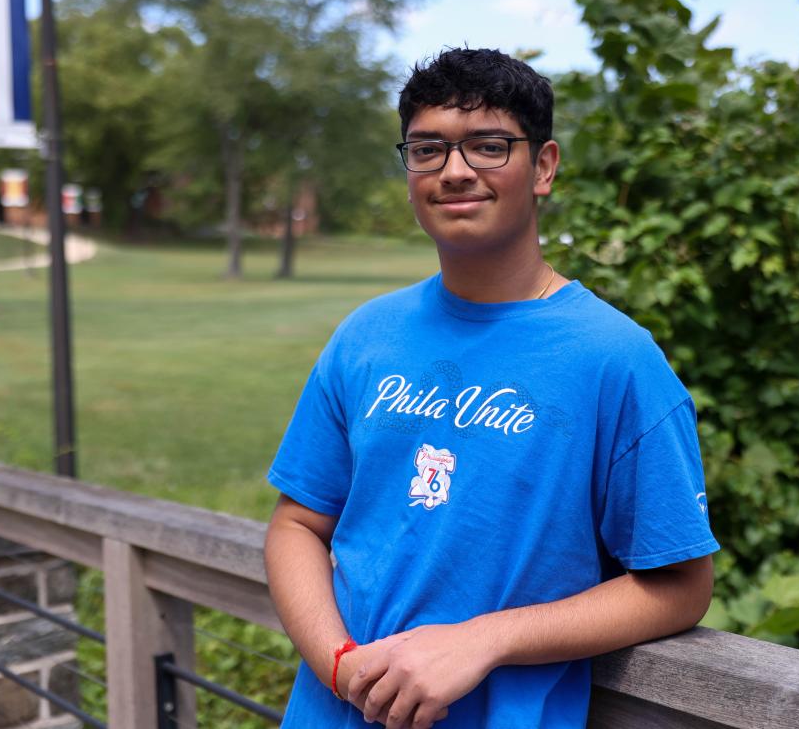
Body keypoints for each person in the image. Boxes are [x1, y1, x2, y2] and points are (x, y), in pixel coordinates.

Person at [264, 47, 720, 729]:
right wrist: (340, 663)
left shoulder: (614, 359)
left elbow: (680, 588)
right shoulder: (366, 336)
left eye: (487, 146)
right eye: (428, 149)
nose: (454, 171)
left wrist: (485, 638)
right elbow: (297, 524)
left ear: (543, 166)